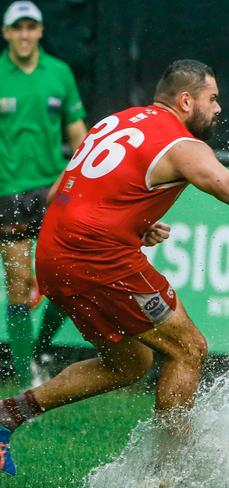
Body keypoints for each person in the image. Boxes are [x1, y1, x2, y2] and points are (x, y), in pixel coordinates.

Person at [0, 58, 229, 476]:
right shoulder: (182, 143)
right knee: (189, 348)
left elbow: (68, 190)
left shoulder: (117, 120)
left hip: (55, 253)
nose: (218, 109)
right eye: (212, 99)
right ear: (186, 100)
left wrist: (134, 223)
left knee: (131, 363)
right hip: (96, 256)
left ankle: (9, 414)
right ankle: (168, 474)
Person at [0, 1, 87, 388]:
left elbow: (78, 134)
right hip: (7, 192)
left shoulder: (60, 73)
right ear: (6, 33)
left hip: (53, 192)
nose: (23, 34)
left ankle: (36, 351)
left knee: (68, 278)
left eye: (30, 27)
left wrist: (82, 178)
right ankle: (25, 379)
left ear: (39, 31)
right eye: (16, 28)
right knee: (19, 282)